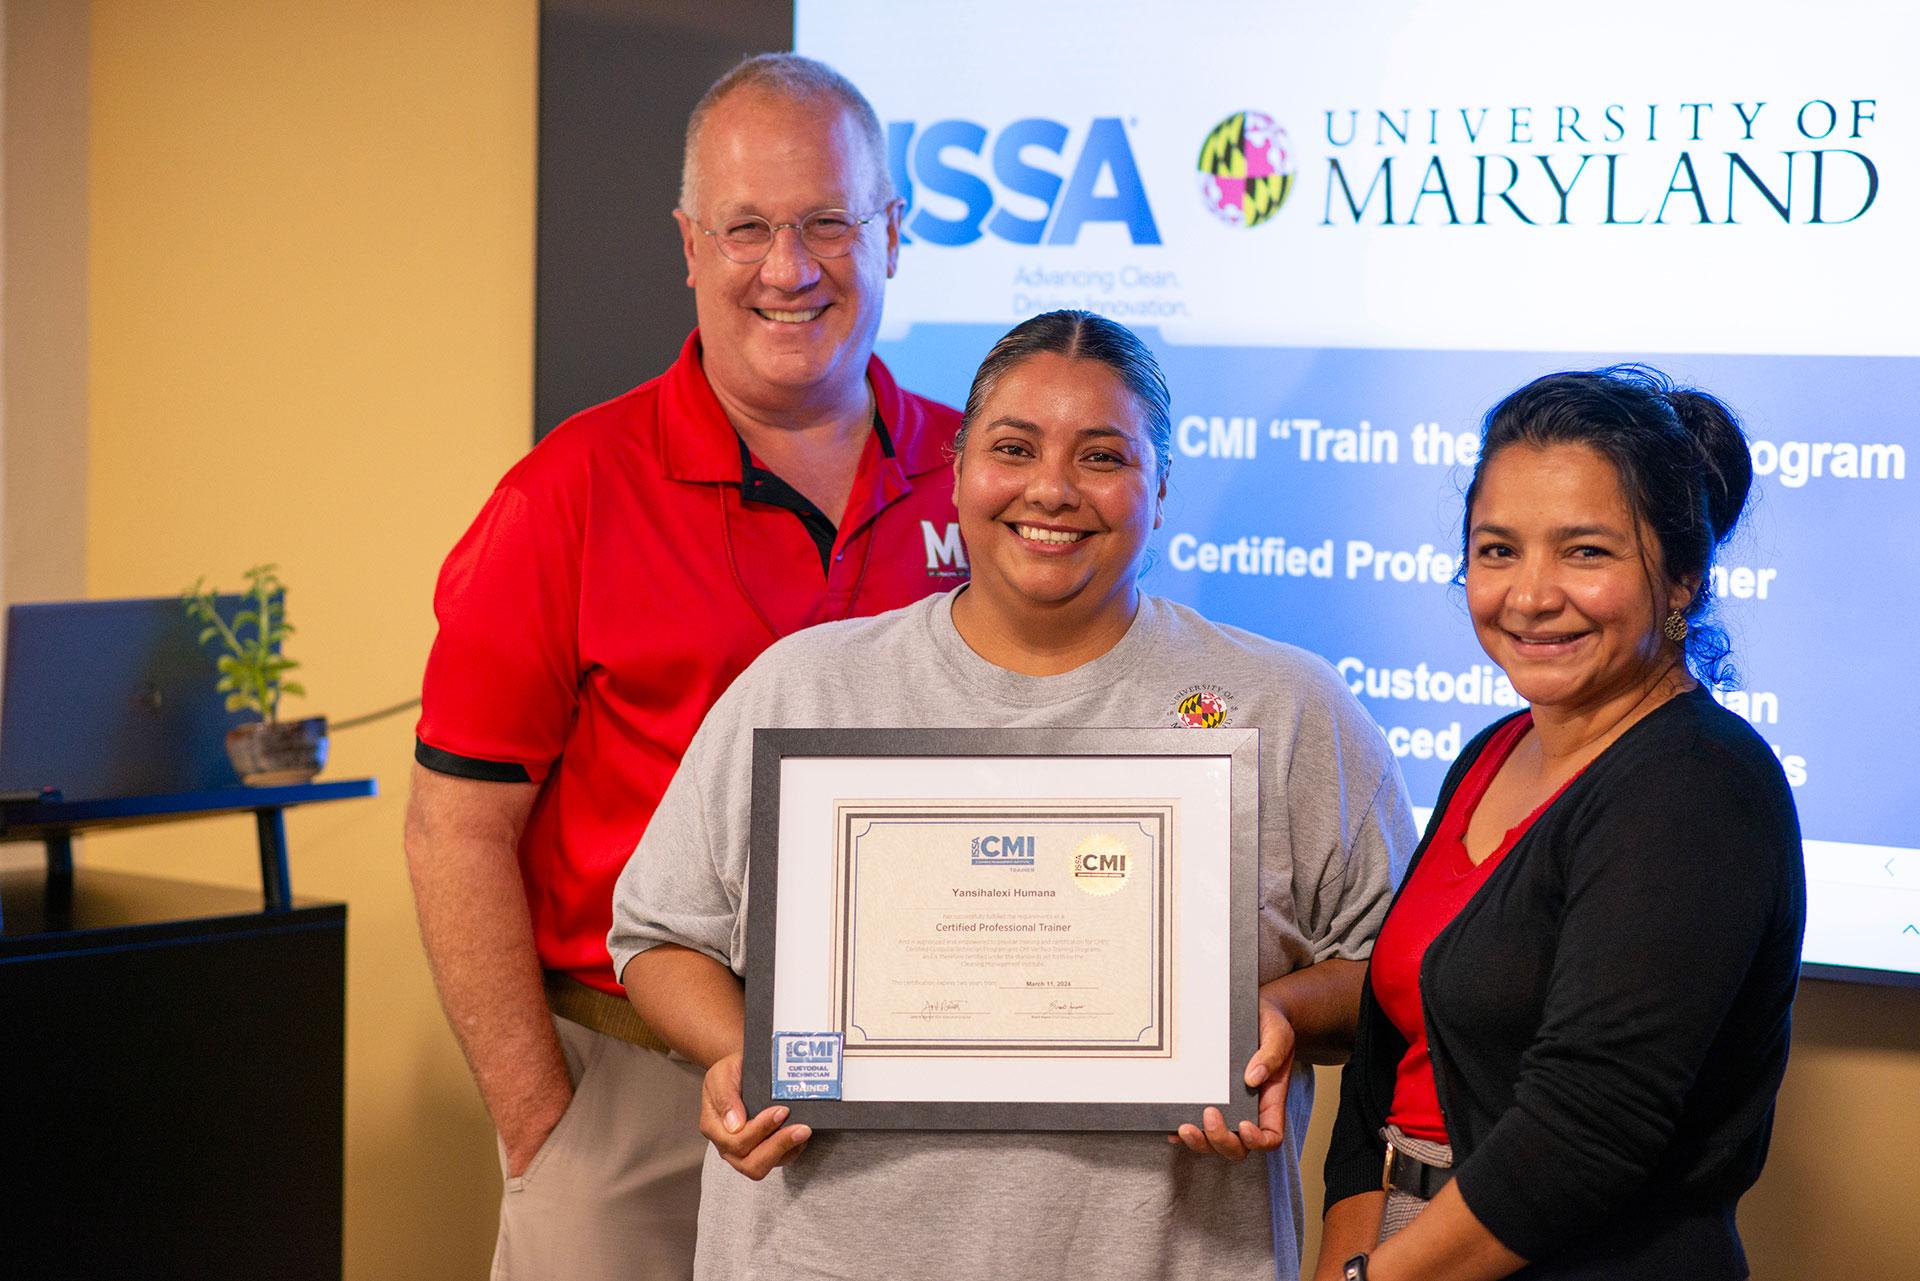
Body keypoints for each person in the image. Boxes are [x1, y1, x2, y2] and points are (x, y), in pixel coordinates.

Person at [609, 310, 1417, 1280]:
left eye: (1103, 456)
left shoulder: (1285, 707)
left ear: (1159, 487)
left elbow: (1394, 973)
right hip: (826, 1250)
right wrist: (743, 1052)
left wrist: (1273, 1013)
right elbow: (663, 933)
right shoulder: (806, 686)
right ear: (956, 472)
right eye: (1014, 447)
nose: (1052, 489)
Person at [405, 54, 962, 1279]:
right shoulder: (566, 496)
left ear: (894, 232)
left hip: (922, 1088)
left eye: (828, 222)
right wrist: (542, 1124)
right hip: (634, 1093)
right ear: (688, 244)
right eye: (747, 228)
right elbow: (455, 830)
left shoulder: (983, 475)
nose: (789, 268)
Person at [1313, 366, 1806, 1281]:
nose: (1531, 595)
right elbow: (1388, 1065)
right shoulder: (1494, 750)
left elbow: (1582, 1133)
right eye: (1497, 550)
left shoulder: (1697, 785)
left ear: (1683, 577)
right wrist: (1349, 1258)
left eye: (1585, 552)